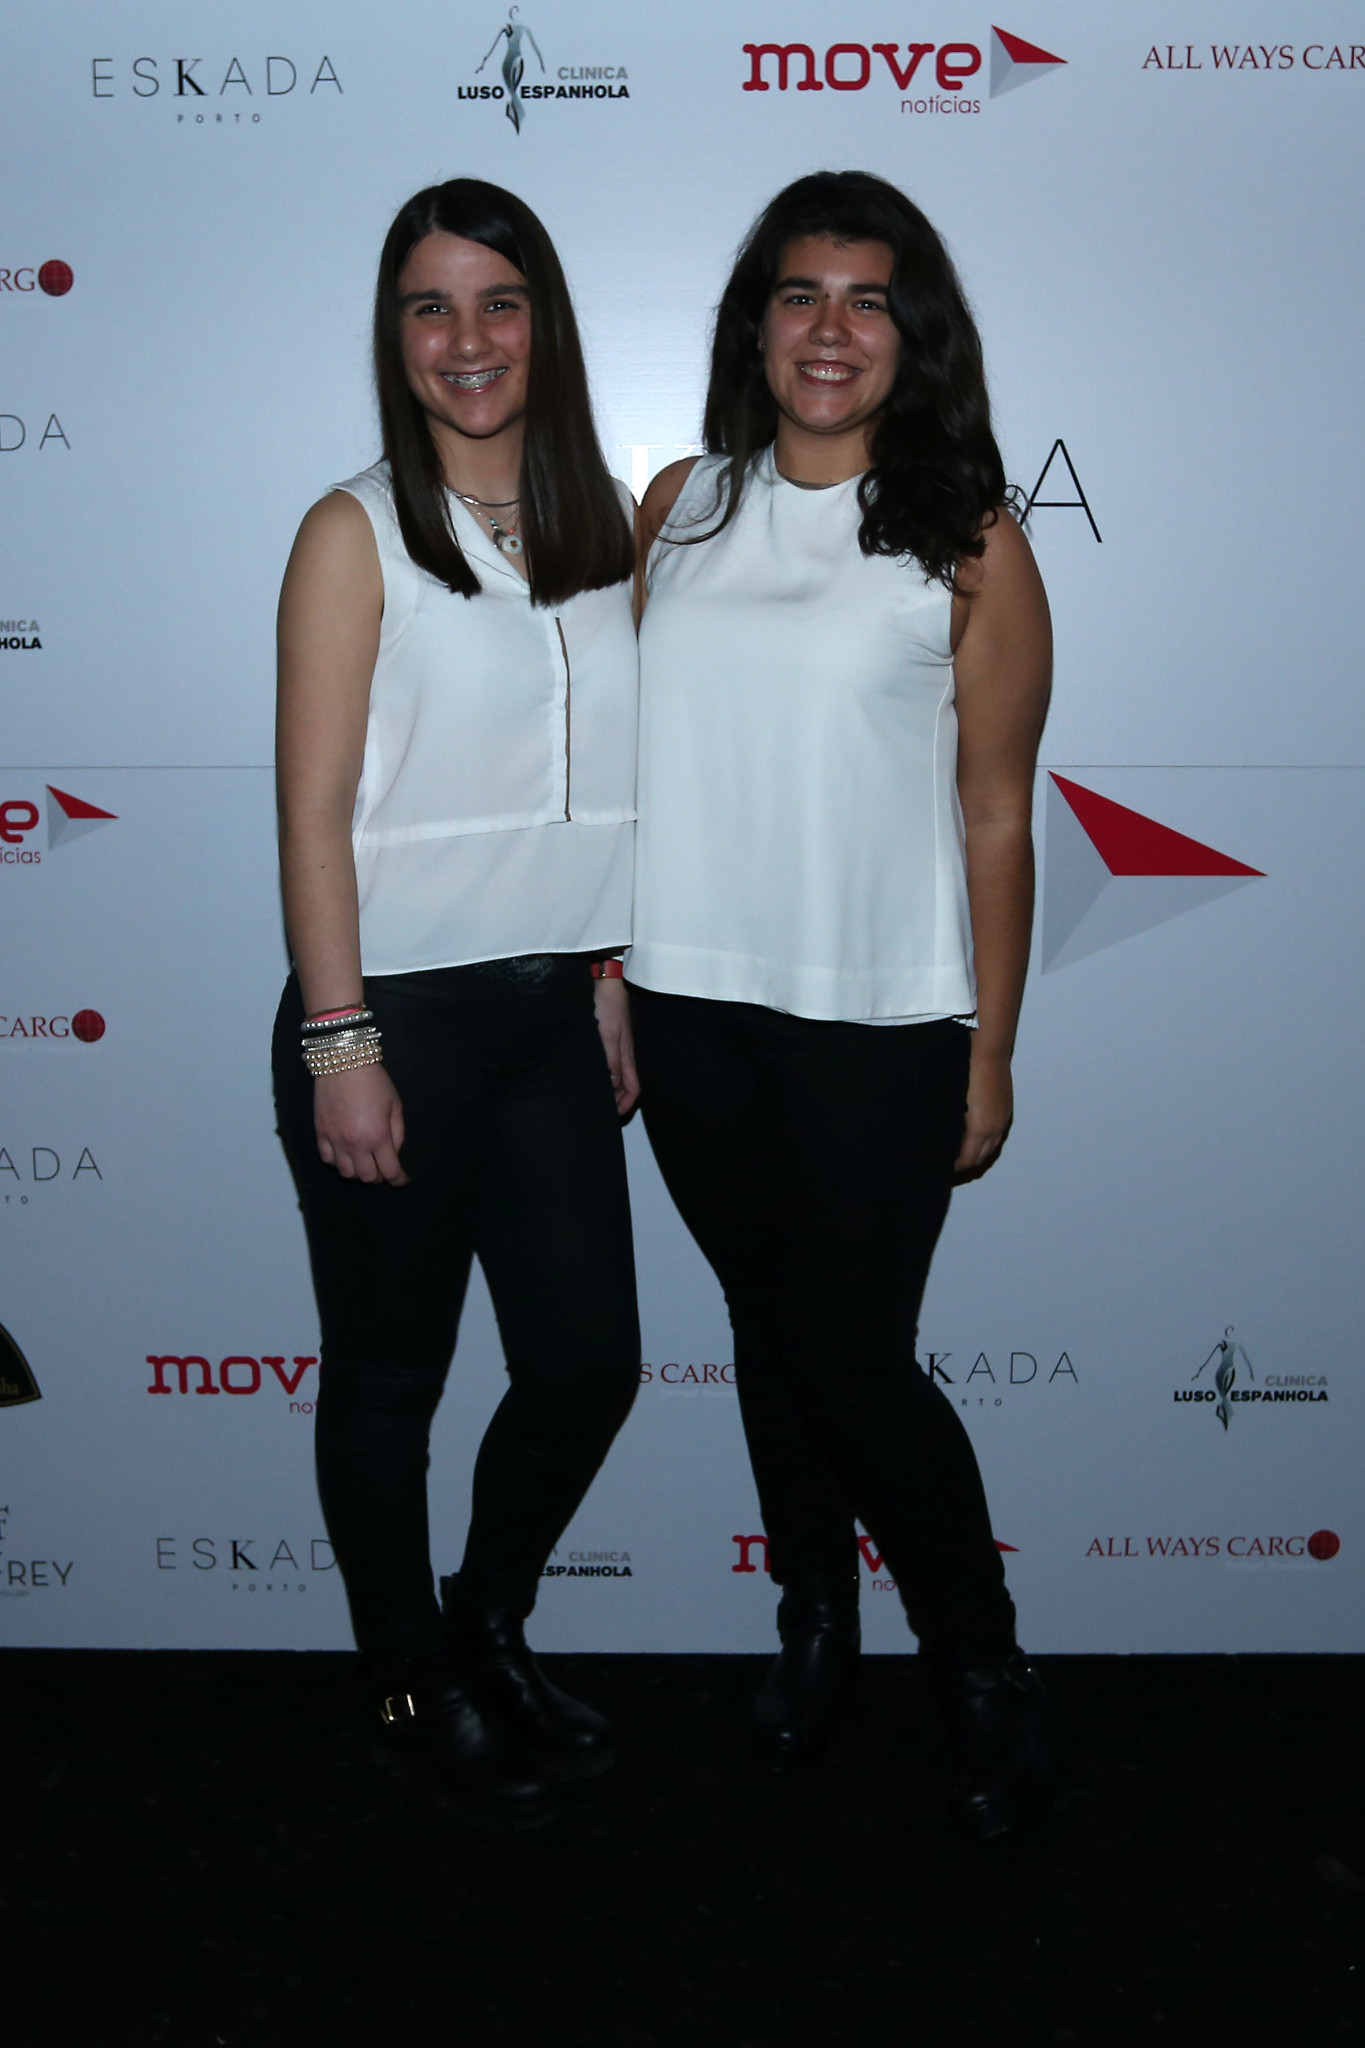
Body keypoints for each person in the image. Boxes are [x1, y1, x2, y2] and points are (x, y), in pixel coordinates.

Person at [629, 171, 1057, 1838]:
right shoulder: (677, 505)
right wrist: (609, 975)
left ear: (910, 335)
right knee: (768, 1331)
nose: (829, 329)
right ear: (754, 325)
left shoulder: (969, 540)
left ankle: (981, 1660)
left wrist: (990, 1049)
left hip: (880, 1022)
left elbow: (997, 813)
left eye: (866, 300)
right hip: (690, 1011)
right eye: (799, 295)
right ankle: (814, 1614)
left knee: (852, 1361)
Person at [272, 178, 640, 1829]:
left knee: (586, 1361)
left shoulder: (603, 521)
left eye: (498, 302)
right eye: (430, 306)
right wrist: (341, 1042)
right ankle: (404, 1681)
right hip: (395, 1022)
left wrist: (609, 972)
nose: (466, 338)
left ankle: (483, 1624)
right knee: (387, 1383)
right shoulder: (351, 531)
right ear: (394, 334)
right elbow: (311, 812)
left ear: (542, 323)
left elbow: (607, 778)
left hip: (552, 1017)